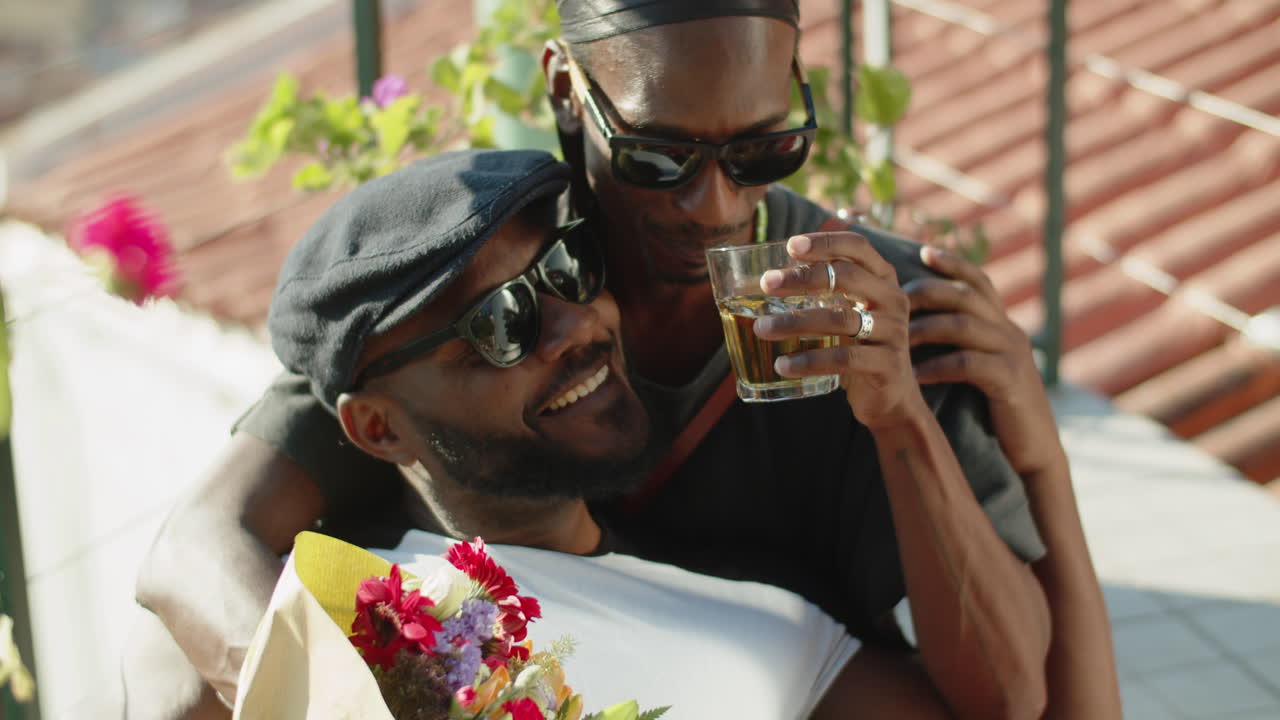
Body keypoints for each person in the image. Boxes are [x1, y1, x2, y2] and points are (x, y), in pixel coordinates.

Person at [130, 1, 1117, 718]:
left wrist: (903, 417)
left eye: (763, 150)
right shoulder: (492, 257)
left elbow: (1011, 699)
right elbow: (194, 557)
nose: (715, 207)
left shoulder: (878, 315)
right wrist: (366, 703)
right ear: (567, 88)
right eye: (658, 157)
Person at [232, 147, 951, 719]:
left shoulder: (763, 621)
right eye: (500, 324)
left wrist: (1027, 451)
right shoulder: (358, 628)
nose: (578, 324)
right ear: (379, 428)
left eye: (567, 269)